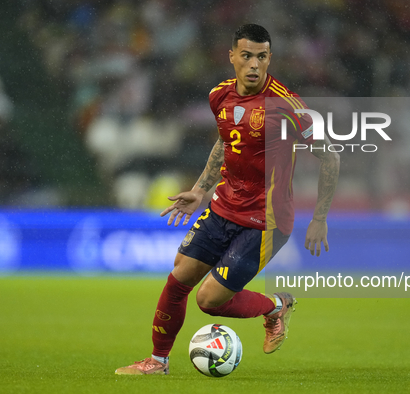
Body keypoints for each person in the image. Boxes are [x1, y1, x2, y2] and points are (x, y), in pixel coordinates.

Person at [115, 24, 340, 375]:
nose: (254, 65)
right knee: (178, 278)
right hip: (223, 207)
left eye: (261, 57)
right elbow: (225, 140)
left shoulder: (287, 105)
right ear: (232, 56)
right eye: (247, 55)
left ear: (270, 59)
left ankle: (276, 305)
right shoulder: (219, 95)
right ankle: (157, 362)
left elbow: (330, 156)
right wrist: (202, 188)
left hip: (266, 220)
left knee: (209, 301)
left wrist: (320, 217)